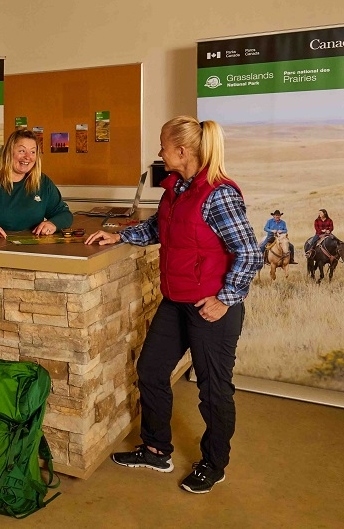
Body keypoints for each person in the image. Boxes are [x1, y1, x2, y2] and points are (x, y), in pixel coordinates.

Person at [85, 116, 260, 494]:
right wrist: (117, 236)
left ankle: (214, 464)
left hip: (211, 307)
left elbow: (249, 252)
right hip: (176, 301)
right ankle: (155, 449)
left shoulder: (219, 194)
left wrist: (225, 298)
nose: (159, 153)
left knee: (214, 390)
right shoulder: (175, 190)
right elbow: (155, 230)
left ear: (181, 152)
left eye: (163, 146)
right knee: (150, 370)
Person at [0, 129, 73, 238]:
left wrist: (53, 224)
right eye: (22, 151)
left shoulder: (42, 182)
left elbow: (64, 214)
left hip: (34, 251)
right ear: (9, 153)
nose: (28, 157)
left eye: (33, 152)